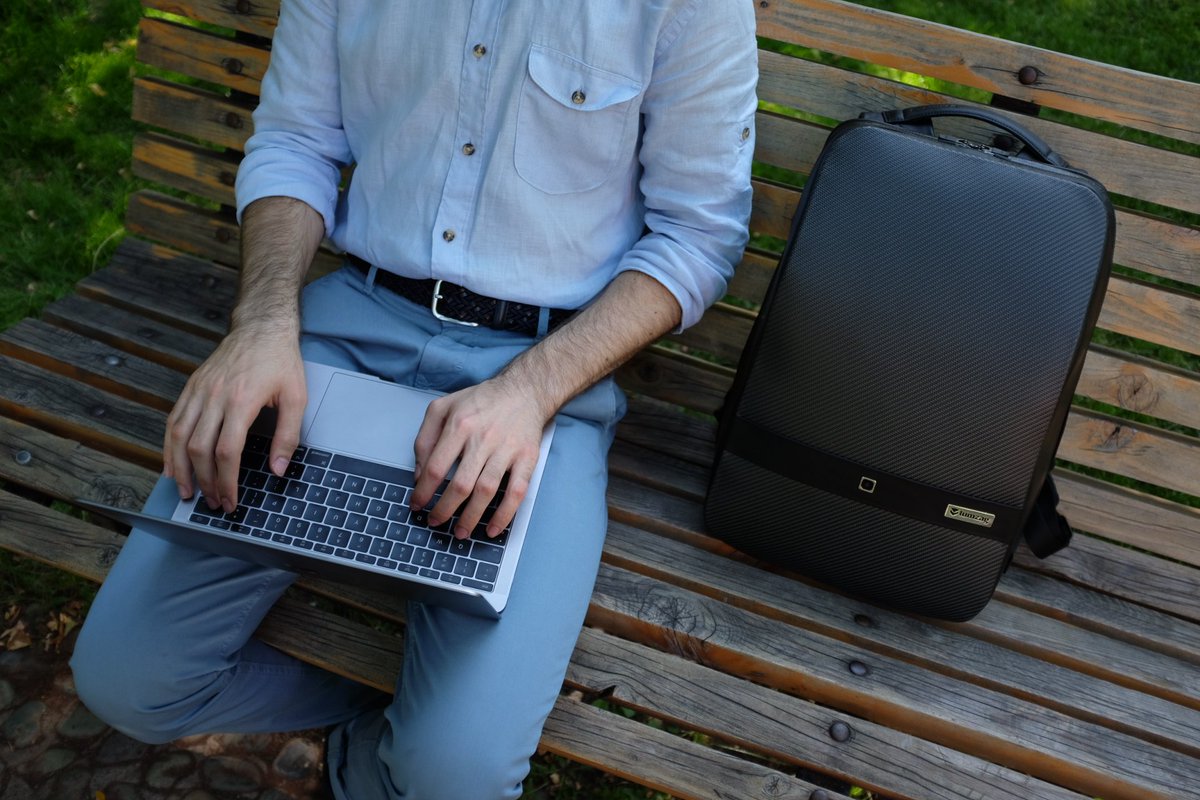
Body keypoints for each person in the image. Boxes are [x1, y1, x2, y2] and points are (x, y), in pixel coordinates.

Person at [70, 0, 758, 797]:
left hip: (544, 375)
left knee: (454, 778)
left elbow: (698, 235)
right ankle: (369, 719)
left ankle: (373, 764)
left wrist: (527, 393)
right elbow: (295, 143)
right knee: (127, 681)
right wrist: (260, 325)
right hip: (343, 331)